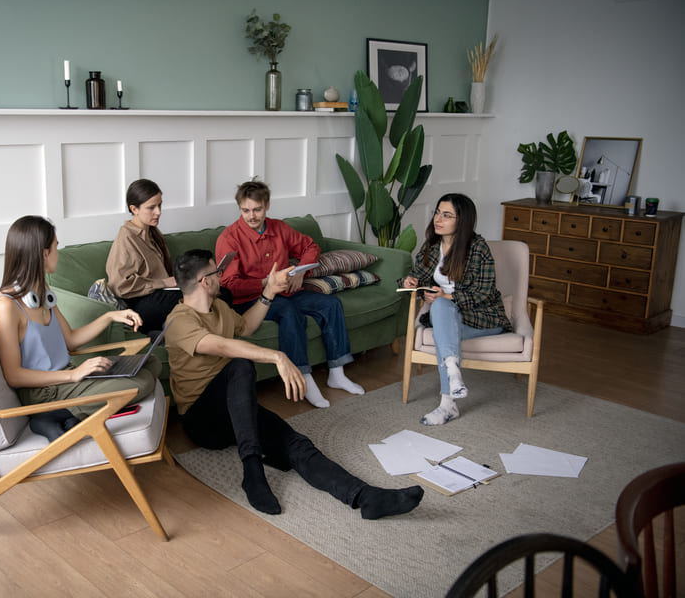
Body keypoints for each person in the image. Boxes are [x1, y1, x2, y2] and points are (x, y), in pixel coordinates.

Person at [164, 249, 424, 518]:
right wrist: (277, 356)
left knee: (296, 443)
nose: (221, 276)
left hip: (234, 408)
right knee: (240, 365)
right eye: (216, 272)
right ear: (205, 281)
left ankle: (364, 496)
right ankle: (253, 472)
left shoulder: (218, 307)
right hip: (202, 420)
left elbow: (246, 327)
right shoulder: (178, 320)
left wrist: (269, 293)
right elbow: (220, 346)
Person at [0, 215, 160, 440]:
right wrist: (73, 375)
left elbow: (70, 340)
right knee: (142, 382)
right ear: (44, 254)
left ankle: (69, 417)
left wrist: (110, 316)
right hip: (45, 393)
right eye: (55, 247)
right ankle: (57, 416)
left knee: (151, 363)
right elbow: (14, 375)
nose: (57, 253)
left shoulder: (42, 291)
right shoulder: (6, 305)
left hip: (67, 377)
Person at [216, 180, 363, 409]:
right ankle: (303, 378)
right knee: (289, 312)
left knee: (331, 304)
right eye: (245, 210)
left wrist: (300, 273)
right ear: (239, 209)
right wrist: (267, 283)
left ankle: (337, 373)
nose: (251, 216)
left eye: (257, 209)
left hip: (287, 292)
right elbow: (229, 285)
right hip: (252, 301)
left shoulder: (279, 228)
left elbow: (310, 247)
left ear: (267, 206)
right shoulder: (229, 238)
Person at [400, 193, 511, 426]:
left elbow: (484, 292)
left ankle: (448, 400)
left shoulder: (478, 248)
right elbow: (418, 275)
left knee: (442, 312)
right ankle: (451, 377)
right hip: (448, 317)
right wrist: (408, 281)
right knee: (440, 306)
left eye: (447, 215)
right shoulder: (432, 245)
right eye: (437, 213)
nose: (438, 219)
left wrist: (447, 295)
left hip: (482, 319)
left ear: (462, 220)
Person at [107, 178, 232, 335]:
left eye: (160, 205)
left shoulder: (152, 232)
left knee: (224, 293)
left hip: (164, 293)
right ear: (134, 209)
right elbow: (120, 286)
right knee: (210, 296)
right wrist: (163, 282)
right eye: (151, 207)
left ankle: (192, 332)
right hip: (143, 304)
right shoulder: (126, 237)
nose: (158, 212)